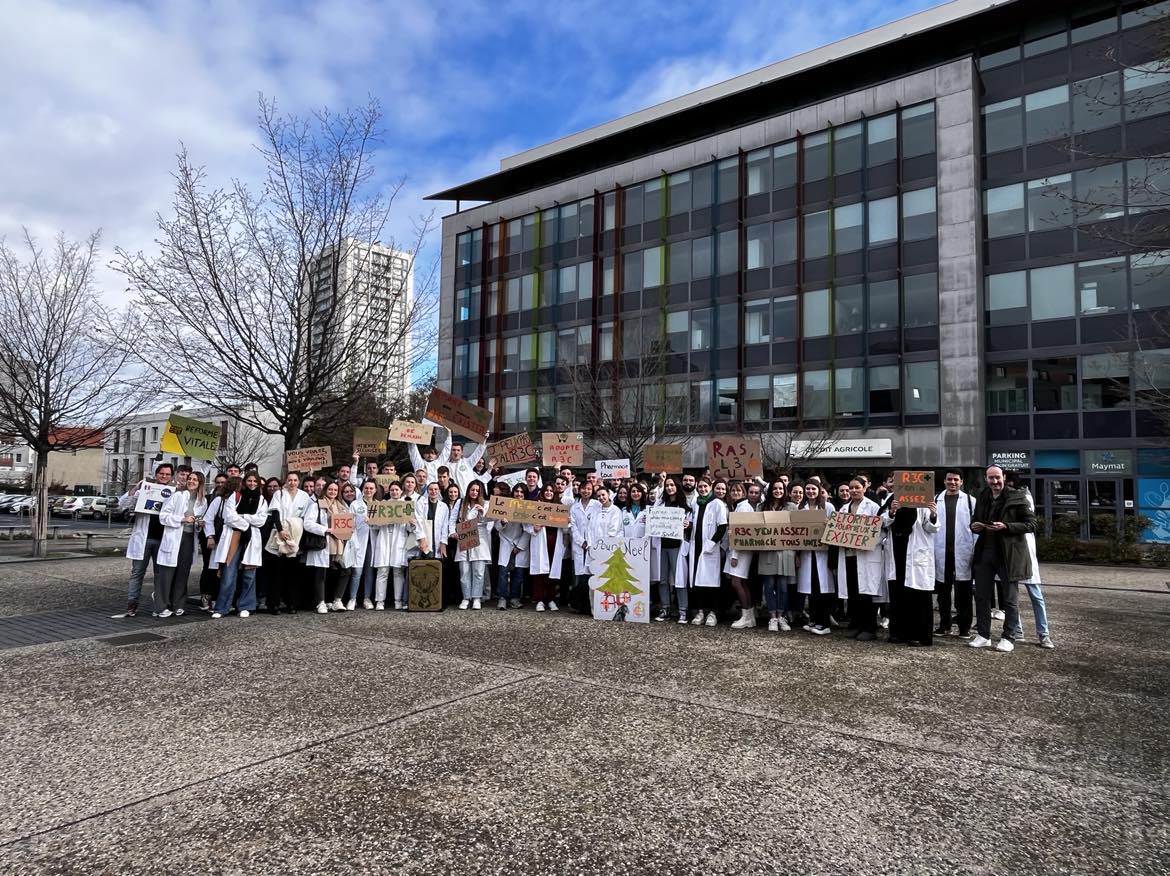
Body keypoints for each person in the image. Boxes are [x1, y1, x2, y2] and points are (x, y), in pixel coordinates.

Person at [969, 465, 1036, 653]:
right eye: (991, 478)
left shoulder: (1017, 496)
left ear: (1004, 477)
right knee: (981, 596)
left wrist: (1006, 526)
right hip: (985, 552)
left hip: (1009, 555)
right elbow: (975, 518)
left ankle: (1008, 637)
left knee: (1010, 599)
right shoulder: (983, 496)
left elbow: (1031, 524)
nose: (995, 481)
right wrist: (974, 525)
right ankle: (983, 635)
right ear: (986, 479)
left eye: (997, 477)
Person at [119, 462, 175, 617]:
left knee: (160, 574)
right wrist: (136, 488)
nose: (164, 477)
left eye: (167, 474)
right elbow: (123, 503)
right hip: (144, 539)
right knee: (137, 573)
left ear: (171, 477)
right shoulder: (145, 490)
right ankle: (132, 604)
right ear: (156, 474)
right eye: (161, 474)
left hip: (162, 540)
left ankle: (159, 604)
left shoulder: (174, 493)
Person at [212, 472, 269, 619]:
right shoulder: (236, 496)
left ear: (258, 483)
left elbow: (261, 520)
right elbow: (228, 517)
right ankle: (222, 607)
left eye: (254, 481)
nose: (252, 483)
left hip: (252, 538)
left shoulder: (262, 500)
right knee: (228, 573)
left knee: (249, 574)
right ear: (245, 482)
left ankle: (246, 606)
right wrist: (247, 524)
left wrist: (242, 517)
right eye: (249, 481)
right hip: (233, 536)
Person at [834, 478, 885, 642]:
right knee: (853, 592)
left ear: (865, 488)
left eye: (857, 487)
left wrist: (866, 543)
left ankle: (869, 628)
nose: (854, 490)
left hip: (866, 556)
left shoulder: (873, 507)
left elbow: (882, 531)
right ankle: (855, 625)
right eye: (851, 488)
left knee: (866, 594)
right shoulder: (844, 508)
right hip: (849, 555)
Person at [884, 498, 938, 646]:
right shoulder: (892, 499)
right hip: (897, 551)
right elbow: (882, 523)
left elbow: (932, 527)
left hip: (916, 553)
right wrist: (892, 512)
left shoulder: (923, 502)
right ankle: (899, 634)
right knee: (898, 593)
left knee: (918, 595)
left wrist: (933, 514)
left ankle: (921, 636)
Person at [152, 471, 207, 617]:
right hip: (174, 537)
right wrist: (182, 519)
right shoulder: (177, 496)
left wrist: (199, 524)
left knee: (183, 573)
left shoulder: (203, 501)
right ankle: (162, 606)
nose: (191, 481)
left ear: (200, 483)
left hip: (189, 539)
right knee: (167, 573)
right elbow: (163, 516)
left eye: (195, 480)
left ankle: (179, 604)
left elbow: (198, 522)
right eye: (189, 479)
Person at [1008, 480, 1055, 649]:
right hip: (1012, 554)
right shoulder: (1009, 500)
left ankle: (1044, 634)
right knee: (1012, 597)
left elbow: (1029, 524)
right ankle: (1017, 629)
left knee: (1036, 595)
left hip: (1027, 552)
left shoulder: (1024, 498)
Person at [932, 470, 976, 638]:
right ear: (944, 481)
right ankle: (944, 625)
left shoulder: (971, 502)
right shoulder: (936, 500)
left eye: (956, 480)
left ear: (961, 482)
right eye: (949, 479)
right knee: (943, 593)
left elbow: (975, 529)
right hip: (942, 552)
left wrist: (975, 551)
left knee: (964, 592)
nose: (952, 482)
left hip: (963, 552)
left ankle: (965, 628)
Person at [265, 471, 312, 613]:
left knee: (293, 572)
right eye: (290, 480)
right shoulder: (279, 494)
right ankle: (274, 603)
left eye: (295, 480)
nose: (292, 483)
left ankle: (292, 603)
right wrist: (280, 530)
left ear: (299, 482)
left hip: (296, 534)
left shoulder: (304, 496)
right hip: (281, 532)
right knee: (277, 571)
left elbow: (307, 515)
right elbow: (275, 513)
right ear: (286, 481)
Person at [796, 482, 835, 636]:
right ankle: (813, 619)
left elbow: (836, 529)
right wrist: (797, 554)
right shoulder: (801, 509)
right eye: (808, 489)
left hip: (823, 554)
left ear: (819, 491)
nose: (810, 491)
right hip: (807, 553)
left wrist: (828, 525)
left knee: (821, 588)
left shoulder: (828, 507)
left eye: (814, 489)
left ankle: (824, 623)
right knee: (811, 588)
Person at [651, 476, 691, 624]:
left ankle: (682, 610)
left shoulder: (685, 505)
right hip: (662, 546)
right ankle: (665, 608)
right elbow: (653, 519)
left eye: (672, 485)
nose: (669, 488)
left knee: (679, 580)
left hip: (677, 547)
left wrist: (689, 525)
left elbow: (691, 524)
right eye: (667, 485)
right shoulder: (660, 504)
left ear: (677, 486)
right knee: (662, 580)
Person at [688, 477, 727, 627]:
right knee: (698, 582)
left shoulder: (717, 503)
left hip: (709, 548)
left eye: (705, 486)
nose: (703, 489)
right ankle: (700, 612)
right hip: (696, 547)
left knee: (712, 582)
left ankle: (712, 612)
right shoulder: (696, 503)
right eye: (701, 486)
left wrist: (711, 544)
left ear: (710, 487)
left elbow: (722, 526)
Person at [372, 480, 414, 610]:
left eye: (397, 490)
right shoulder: (382, 505)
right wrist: (371, 521)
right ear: (388, 492)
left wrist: (412, 523)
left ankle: (398, 600)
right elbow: (374, 526)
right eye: (392, 490)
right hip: (384, 539)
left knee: (398, 571)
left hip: (399, 540)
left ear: (401, 491)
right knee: (382, 571)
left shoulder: (406, 505)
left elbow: (410, 528)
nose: (394, 492)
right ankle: (380, 601)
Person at [758, 480, 792, 632]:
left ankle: (781, 616)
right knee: (769, 585)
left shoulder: (791, 507)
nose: (778, 491)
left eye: (781, 488)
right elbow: (754, 528)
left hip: (786, 552)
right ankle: (772, 617)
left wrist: (797, 554)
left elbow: (799, 530)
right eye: (775, 488)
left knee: (783, 587)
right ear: (770, 489)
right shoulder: (761, 507)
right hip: (767, 552)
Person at [526, 483, 566, 612]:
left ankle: (551, 599)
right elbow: (525, 525)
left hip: (555, 541)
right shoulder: (535, 507)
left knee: (553, 573)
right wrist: (534, 528)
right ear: (542, 492)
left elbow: (566, 530)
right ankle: (539, 600)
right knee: (540, 572)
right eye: (546, 491)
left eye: (551, 491)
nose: (549, 493)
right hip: (540, 541)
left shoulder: (560, 507)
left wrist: (568, 522)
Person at [454, 480, 492, 610]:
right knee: (464, 570)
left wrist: (483, 512)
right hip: (464, 535)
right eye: (472, 490)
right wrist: (453, 533)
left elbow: (491, 519)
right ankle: (466, 598)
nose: (474, 492)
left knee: (478, 571)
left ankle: (476, 598)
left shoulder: (486, 504)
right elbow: (452, 519)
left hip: (480, 538)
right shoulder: (461, 503)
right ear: (468, 490)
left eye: (477, 490)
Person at [723, 481, 756, 629]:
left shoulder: (744, 508)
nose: (735, 493)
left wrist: (735, 555)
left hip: (740, 552)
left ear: (743, 492)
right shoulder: (740, 506)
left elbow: (741, 534)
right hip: (739, 551)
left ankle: (746, 615)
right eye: (733, 490)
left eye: (739, 490)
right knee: (741, 582)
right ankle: (749, 615)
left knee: (736, 583)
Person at [496, 483, 532, 609]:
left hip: (520, 544)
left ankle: (515, 598)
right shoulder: (505, 505)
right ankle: (502, 598)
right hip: (506, 542)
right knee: (503, 572)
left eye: (522, 492)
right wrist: (502, 522)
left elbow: (529, 530)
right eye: (517, 491)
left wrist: (520, 546)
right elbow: (497, 527)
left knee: (518, 573)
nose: (519, 494)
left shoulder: (529, 509)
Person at [200, 473, 230, 611]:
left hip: (231, 540)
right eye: (218, 482)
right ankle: (212, 599)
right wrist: (210, 536)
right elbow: (208, 519)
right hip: (217, 540)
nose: (220, 485)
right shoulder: (218, 500)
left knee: (228, 572)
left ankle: (224, 601)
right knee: (213, 570)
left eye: (223, 482)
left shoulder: (235, 498)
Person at [342, 480, 374, 610]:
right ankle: (353, 598)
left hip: (373, 541)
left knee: (369, 571)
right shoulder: (355, 504)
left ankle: (367, 598)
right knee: (357, 571)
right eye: (366, 488)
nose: (369, 490)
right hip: (359, 540)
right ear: (362, 490)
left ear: (375, 490)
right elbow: (351, 523)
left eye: (371, 488)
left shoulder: (379, 505)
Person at [568, 481, 598, 611]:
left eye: (589, 489)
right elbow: (573, 527)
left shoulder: (597, 505)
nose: (586, 491)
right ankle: (579, 605)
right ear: (579, 490)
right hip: (580, 545)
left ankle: (591, 605)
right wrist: (582, 542)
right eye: (583, 489)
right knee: (579, 577)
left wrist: (590, 542)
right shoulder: (574, 507)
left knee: (592, 575)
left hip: (593, 545)